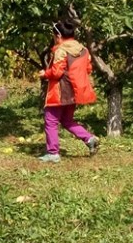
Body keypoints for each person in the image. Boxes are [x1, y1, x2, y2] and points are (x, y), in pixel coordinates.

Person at [38, 19, 100, 162]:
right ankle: (89, 139)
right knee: (67, 120)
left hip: (60, 92)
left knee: (51, 120)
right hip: (75, 91)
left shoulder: (61, 50)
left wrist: (45, 74)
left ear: (58, 36)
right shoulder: (83, 50)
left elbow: (57, 73)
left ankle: (53, 153)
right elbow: (88, 69)